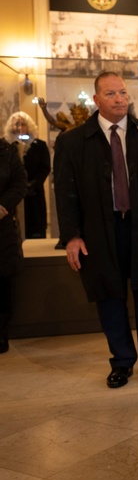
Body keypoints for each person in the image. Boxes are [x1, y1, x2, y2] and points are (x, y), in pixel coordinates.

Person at [54, 72, 138, 388]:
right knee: (109, 297)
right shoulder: (72, 142)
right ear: (96, 100)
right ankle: (122, 362)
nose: (119, 99)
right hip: (100, 231)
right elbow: (65, 192)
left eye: (123, 92)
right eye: (111, 94)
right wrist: (72, 235)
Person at [0, 137, 27, 353]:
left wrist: (3, 205)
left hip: (2, 225)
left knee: (3, 281)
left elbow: (19, 183)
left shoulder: (7, 151)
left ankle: (1, 333)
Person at [5, 112, 51, 238]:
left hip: (33, 193)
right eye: (16, 124)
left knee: (35, 229)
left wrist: (31, 185)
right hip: (12, 194)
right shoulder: (6, 147)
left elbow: (44, 168)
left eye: (23, 124)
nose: (20, 127)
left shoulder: (39, 145)